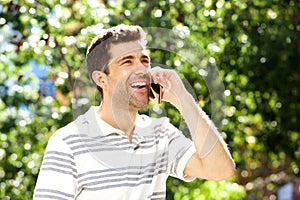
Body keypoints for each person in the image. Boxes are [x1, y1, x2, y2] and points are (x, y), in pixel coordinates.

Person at [33, 24, 235, 200]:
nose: (142, 70)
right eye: (127, 61)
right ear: (101, 79)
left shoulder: (160, 133)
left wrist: (182, 98)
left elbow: (220, 170)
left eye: (144, 61)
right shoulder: (68, 142)